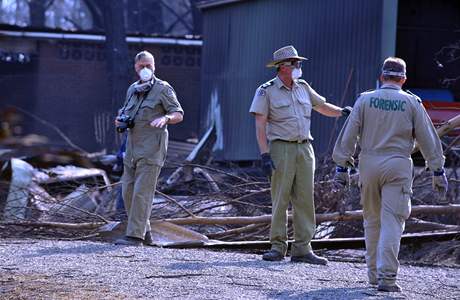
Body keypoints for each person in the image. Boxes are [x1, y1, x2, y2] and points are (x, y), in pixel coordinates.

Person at [332, 57, 448, 292]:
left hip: (369, 164)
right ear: (403, 79)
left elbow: (349, 135)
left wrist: (342, 167)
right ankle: (387, 278)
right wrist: (437, 170)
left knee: (372, 221)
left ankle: (373, 276)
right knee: (392, 222)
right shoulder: (412, 102)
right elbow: (428, 138)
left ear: (381, 77)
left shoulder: (364, 100)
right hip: (398, 165)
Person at [249, 45, 352, 264]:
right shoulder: (266, 91)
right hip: (281, 148)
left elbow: (321, 106)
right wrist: (264, 154)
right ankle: (277, 246)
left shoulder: (303, 87)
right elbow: (259, 126)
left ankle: (303, 249)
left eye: (299, 63)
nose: (299, 66)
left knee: (305, 198)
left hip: (305, 148)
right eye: (295, 63)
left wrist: (342, 112)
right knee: (280, 197)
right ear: (283, 67)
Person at [115, 50, 184, 246]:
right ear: (135, 68)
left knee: (141, 192)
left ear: (154, 66)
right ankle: (145, 233)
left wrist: (166, 118)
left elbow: (178, 113)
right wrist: (120, 120)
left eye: (148, 65)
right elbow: (125, 113)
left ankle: (134, 236)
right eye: (141, 66)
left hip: (152, 148)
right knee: (127, 191)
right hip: (131, 148)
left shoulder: (163, 89)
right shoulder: (132, 89)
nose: (145, 69)